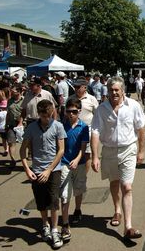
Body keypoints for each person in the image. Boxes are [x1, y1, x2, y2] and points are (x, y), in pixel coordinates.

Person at [90, 76, 145, 240]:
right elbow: (95, 132)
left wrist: (141, 151)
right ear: (107, 91)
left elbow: (141, 129)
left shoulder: (133, 106)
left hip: (128, 150)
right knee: (114, 183)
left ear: (122, 91)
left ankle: (128, 227)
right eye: (111, 90)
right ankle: (117, 210)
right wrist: (95, 156)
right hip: (109, 151)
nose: (114, 93)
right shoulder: (101, 109)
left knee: (127, 187)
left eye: (116, 90)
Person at [19, 99, 66, 249]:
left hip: (54, 169)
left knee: (54, 200)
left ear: (52, 112)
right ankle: (45, 225)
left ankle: (54, 229)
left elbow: (61, 150)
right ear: (38, 114)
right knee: (41, 201)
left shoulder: (58, 126)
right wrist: (27, 169)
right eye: (44, 116)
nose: (47, 119)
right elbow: (23, 150)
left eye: (49, 115)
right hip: (37, 169)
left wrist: (49, 169)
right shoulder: (32, 128)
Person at [67, 77, 99, 223]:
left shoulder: (91, 99)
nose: (76, 88)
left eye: (79, 86)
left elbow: (97, 115)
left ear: (84, 87)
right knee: (76, 152)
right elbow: (65, 114)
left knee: (87, 154)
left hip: (88, 129)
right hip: (72, 130)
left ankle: (82, 174)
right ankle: (79, 174)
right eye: (75, 86)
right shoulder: (71, 98)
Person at [59, 98, 89, 242]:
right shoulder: (61, 126)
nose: (71, 114)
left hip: (80, 163)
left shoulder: (84, 127)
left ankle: (77, 209)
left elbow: (83, 148)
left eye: (74, 112)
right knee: (64, 195)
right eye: (68, 111)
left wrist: (77, 160)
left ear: (79, 111)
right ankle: (65, 225)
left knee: (79, 189)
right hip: (64, 163)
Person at [5, 84, 24, 167]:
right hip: (11, 124)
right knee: (11, 142)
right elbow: (8, 113)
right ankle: (13, 159)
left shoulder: (24, 100)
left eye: (14, 91)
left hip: (22, 125)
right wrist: (6, 124)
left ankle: (28, 155)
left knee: (25, 142)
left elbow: (26, 112)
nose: (12, 92)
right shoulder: (10, 101)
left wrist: (21, 122)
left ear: (19, 91)